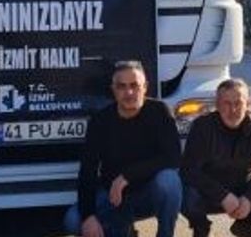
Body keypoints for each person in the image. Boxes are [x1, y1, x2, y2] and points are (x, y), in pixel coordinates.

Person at [64, 60, 182, 237]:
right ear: (113, 90)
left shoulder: (159, 111)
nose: (129, 92)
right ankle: (123, 229)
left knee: (169, 180)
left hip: (149, 194)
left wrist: (126, 176)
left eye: (135, 85)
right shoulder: (100, 121)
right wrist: (88, 216)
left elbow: (173, 157)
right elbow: (87, 171)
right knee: (73, 221)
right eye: (122, 86)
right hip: (113, 197)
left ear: (145, 87)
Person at [179, 78, 251, 237]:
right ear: (217, 105)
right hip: (207, 191)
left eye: (238, 103)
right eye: (226, 103)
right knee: (184, 196)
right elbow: (189, 170)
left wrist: (250, 198)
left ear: (248, 104)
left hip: (241, 187)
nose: (233, 109)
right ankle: (201, 228)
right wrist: (222, 196)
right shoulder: (202, 127)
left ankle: (244, 227)